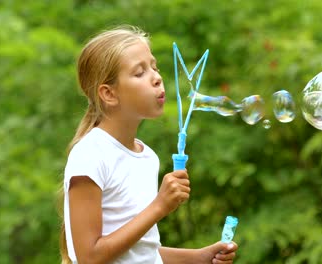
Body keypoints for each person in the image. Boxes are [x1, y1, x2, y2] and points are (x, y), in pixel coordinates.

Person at [59, 25, 238, 264]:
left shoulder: (147, 157)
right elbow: (90, 257)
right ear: (109, 94)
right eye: (139, 72)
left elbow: (141, 252)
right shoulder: (91, 155)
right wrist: (159, 206)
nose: (157, 77)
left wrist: (199, 257)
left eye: (154, 67)